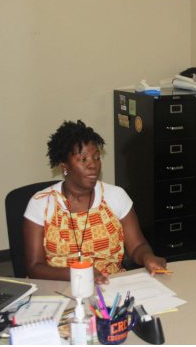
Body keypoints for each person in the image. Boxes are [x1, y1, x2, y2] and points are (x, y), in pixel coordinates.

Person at [23, 120, 169, 284]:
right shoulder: (42, 203)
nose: (93, 165)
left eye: (97, 157)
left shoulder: (116, 196)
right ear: (64, 165)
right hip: (59, 286)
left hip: (109, 284)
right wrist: (76, 273)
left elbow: (137, 246)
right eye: (83, 159)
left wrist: (148, 257)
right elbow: (34, 266)